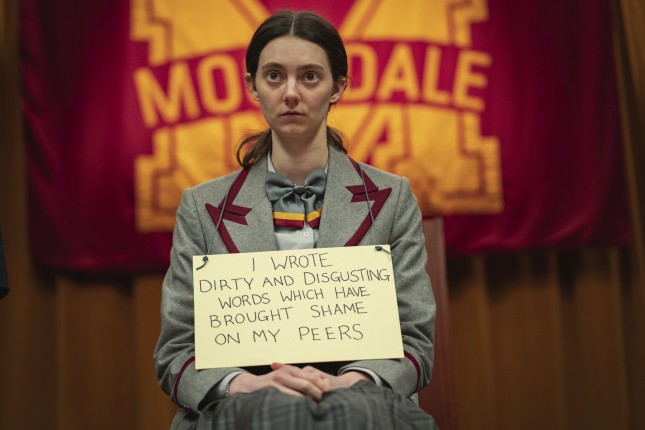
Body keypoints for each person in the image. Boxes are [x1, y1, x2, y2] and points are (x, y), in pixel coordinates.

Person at [154, 10, 438, 430]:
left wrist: (349, 383)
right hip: (242, 409)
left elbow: (415, 340)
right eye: (274, 76)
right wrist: (246, 385)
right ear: (252, 85)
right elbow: (176, 352)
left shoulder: (392, 198)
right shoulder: (201, 206)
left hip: (363, 406)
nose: (290, 93)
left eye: (309, 76)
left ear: (337, 87)